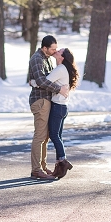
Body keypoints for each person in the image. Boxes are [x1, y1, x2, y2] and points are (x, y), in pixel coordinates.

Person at [28, 35, 69, 180]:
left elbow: (43, 80)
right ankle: (36, 170)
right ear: (44, 48)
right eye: (52, 49)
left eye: (56, 48)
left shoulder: (47, 59)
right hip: (40, 101)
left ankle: (43, 166)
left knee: (45, 137)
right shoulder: (37, 59)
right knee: (39, 136)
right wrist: (59, 89)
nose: (55, 51)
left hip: (47, 100)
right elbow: (41, 80)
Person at [45, 48, 79, 179]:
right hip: (63, 107)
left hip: (58, 107)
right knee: (57, 136)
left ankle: (63, 161)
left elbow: (45, 82)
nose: (57, 51)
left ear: (62, 57)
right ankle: (60, 163)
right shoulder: (63, 69)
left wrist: (33, 82)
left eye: (59, 51)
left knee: (54, 135)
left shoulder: (60, 69)